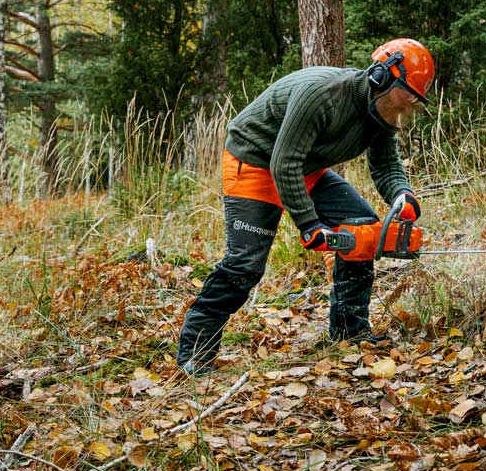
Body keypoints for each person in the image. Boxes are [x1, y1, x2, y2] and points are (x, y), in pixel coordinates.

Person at [176, 38, 434, 375]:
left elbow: (386, 167)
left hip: (304, 167)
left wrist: (402, 195)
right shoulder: (322, 94)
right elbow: (283, 164)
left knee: (362, 227)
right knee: (245, 265)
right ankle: (196, 354)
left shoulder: (382, 111)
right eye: (407, 91)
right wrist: (309, 225)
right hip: (256, 161)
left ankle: (349, 331)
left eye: (417, 95)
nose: (411, 101)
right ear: (382, 76)